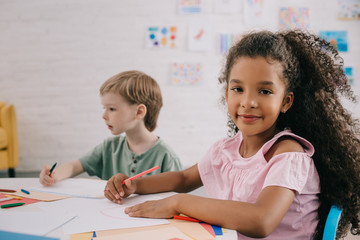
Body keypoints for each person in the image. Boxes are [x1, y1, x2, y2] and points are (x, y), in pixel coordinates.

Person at [104, 30, 360, 239]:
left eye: (265, 91)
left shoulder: (288, 154)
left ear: (286, 101)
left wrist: (179, 203)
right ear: (226, 94)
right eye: (238, 88)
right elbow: (183, 178)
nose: (248, 102)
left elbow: (261, 220)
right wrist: (135, 185)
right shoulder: (225, 150)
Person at [39, 70, 182, 185]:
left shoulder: (166, 157)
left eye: (112, 109)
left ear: (139, 112)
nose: (104, 115)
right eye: (104, 108)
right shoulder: (109, 147)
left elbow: (175, 200)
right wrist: (53, 176)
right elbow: (74, 166)